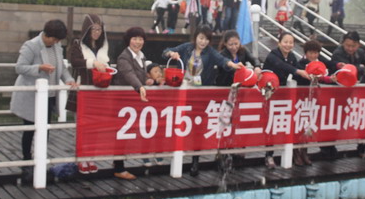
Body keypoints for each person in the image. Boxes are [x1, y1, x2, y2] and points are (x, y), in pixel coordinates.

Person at [163, 24, 243, 176]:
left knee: (198, 129)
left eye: (206, 39)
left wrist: (232, 64)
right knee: (178, 125)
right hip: (183, 94)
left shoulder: (210, 52)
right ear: (195, 37)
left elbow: (222, 60)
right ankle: (175, 160)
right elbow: (165, 51)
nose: (203, 42)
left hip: (200, 96)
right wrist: (171, 53)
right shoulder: (187, 48)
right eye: (201, 38)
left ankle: (195, 161)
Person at [10, 19, 77, 184]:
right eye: (54, 39)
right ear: (47, 35)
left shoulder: (57, 46)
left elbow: (62, 68)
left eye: (58, 40)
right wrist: (39, 68)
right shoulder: (31, 46)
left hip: (49, 95)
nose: (56, 42)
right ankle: (27, 161)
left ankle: (39, 159)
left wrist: (69, 80)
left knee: (45, 129)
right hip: (31, 95)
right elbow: (19, 67)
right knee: (29, 129)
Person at [111, 26, 156, 180]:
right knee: (121, 134)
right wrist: (140, 86)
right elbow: (129, 73)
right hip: (123, 102)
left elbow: (138, 75)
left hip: (134, 101)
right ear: (128, 40)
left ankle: (120, 163)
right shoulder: (124, 57)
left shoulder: (141, 56)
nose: (138, 42)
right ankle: (119, 168)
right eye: (134, 38)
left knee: (127, 134)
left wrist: (147, 81)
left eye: (140, 39)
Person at [68, 14, 110, 174]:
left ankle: (91, 157)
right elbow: (75, 62)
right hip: (82, 89)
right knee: (82, 127)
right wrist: (93, 63)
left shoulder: (103, 47)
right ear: (87, 30)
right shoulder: (77, 45)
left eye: (99, 29)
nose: (97, 32)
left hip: (98, 91)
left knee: (95, 128)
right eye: (94, 29)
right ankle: (81, 158)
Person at [263, 32, 310, 169]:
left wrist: (313, 75)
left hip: (282, 94)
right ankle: (269, 156)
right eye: (285, 42)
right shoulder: (273, 55)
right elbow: (283, 66)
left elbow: (299, 69)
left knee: (281, 123)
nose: (288, 45)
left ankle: (288, 154)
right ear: (279, 43)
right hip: (268, 94)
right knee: (270, 125)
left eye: (291, 42)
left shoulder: (291, 56)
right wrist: (298, 71)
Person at [330, 31, 365, 159]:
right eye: (347, 45)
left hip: (354, 92)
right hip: (337, 92)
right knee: (334, 120)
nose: (350, 49)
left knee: (362, 118)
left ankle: (363, 147)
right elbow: (349, 68)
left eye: (353, 46)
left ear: (358, 45)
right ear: (343, 43)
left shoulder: (360, 52)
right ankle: (328, 147)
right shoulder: (338, 53)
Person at [294, 39, 341, 166]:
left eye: (315, 53)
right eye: (311, 53)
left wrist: (330, 78)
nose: (313, 55)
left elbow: (322, 76)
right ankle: (296, 153)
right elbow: (304, 77)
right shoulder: (300, 64)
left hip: (313, 98)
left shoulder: (318, 62)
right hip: (301, 98)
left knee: (308, 125)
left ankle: (304, 152)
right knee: (299, 126)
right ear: (306, 53)